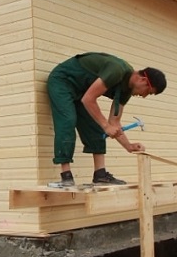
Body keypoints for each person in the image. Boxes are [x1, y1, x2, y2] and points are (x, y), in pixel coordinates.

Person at [46, 52, 166, 187]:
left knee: (96, 128)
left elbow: (114, 122)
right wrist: (106, 126)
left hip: (82, 91)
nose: (144, 96)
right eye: (148, 92)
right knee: (67, 121)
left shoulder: (127, 91)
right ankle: (66, 177)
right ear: (143, 80)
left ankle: (100, 175)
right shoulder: (117, 70)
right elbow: (88, 99)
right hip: (63, 82)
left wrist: (129, 146)